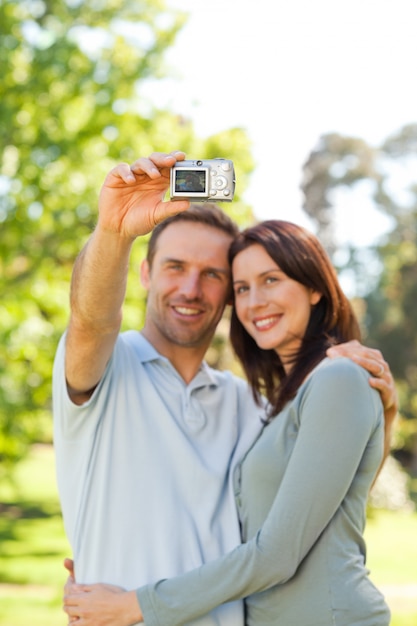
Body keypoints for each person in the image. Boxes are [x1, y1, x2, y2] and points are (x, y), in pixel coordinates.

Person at [57, 152, 396, 626]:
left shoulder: (250, 403)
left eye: (214, 275)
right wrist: (114, 232)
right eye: (175, 266)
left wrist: (380, 415)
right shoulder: (106, 370)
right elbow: (91, 321)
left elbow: (313, 504)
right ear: (145, 273)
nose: (191, 288)